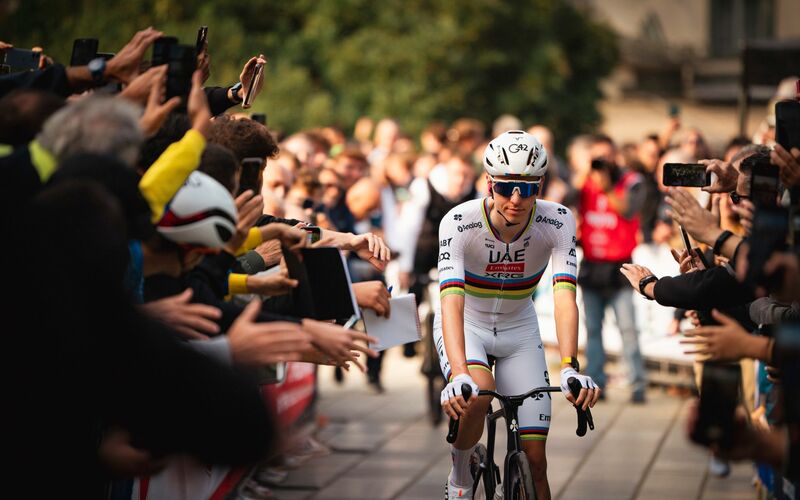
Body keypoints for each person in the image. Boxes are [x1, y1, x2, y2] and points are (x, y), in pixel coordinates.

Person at [437, 130, 600, 500]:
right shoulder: (459, 222)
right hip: (469, 323)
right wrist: (459, 373)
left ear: (540, 186)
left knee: (537, 461)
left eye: (527, 189)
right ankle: (460, 476)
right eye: (505, 187)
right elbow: (451, 301)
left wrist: (571, 365)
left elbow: (564, 296)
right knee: (477, 393)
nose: (515, 199)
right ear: (488, 184)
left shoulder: (557, 221)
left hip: (519, 327)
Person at [576, 134, 647, 403]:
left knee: (627, 329)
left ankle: (637, 384)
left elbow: (627, 210)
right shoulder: (585, 182)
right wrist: (583, 175)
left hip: (621, 267)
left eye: (606, 156)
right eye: (597, 157)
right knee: (593, 330)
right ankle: (596, 384)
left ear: (615, 155)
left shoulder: (630, 181)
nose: (601, 163)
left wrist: (605, 188)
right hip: (592, 266)